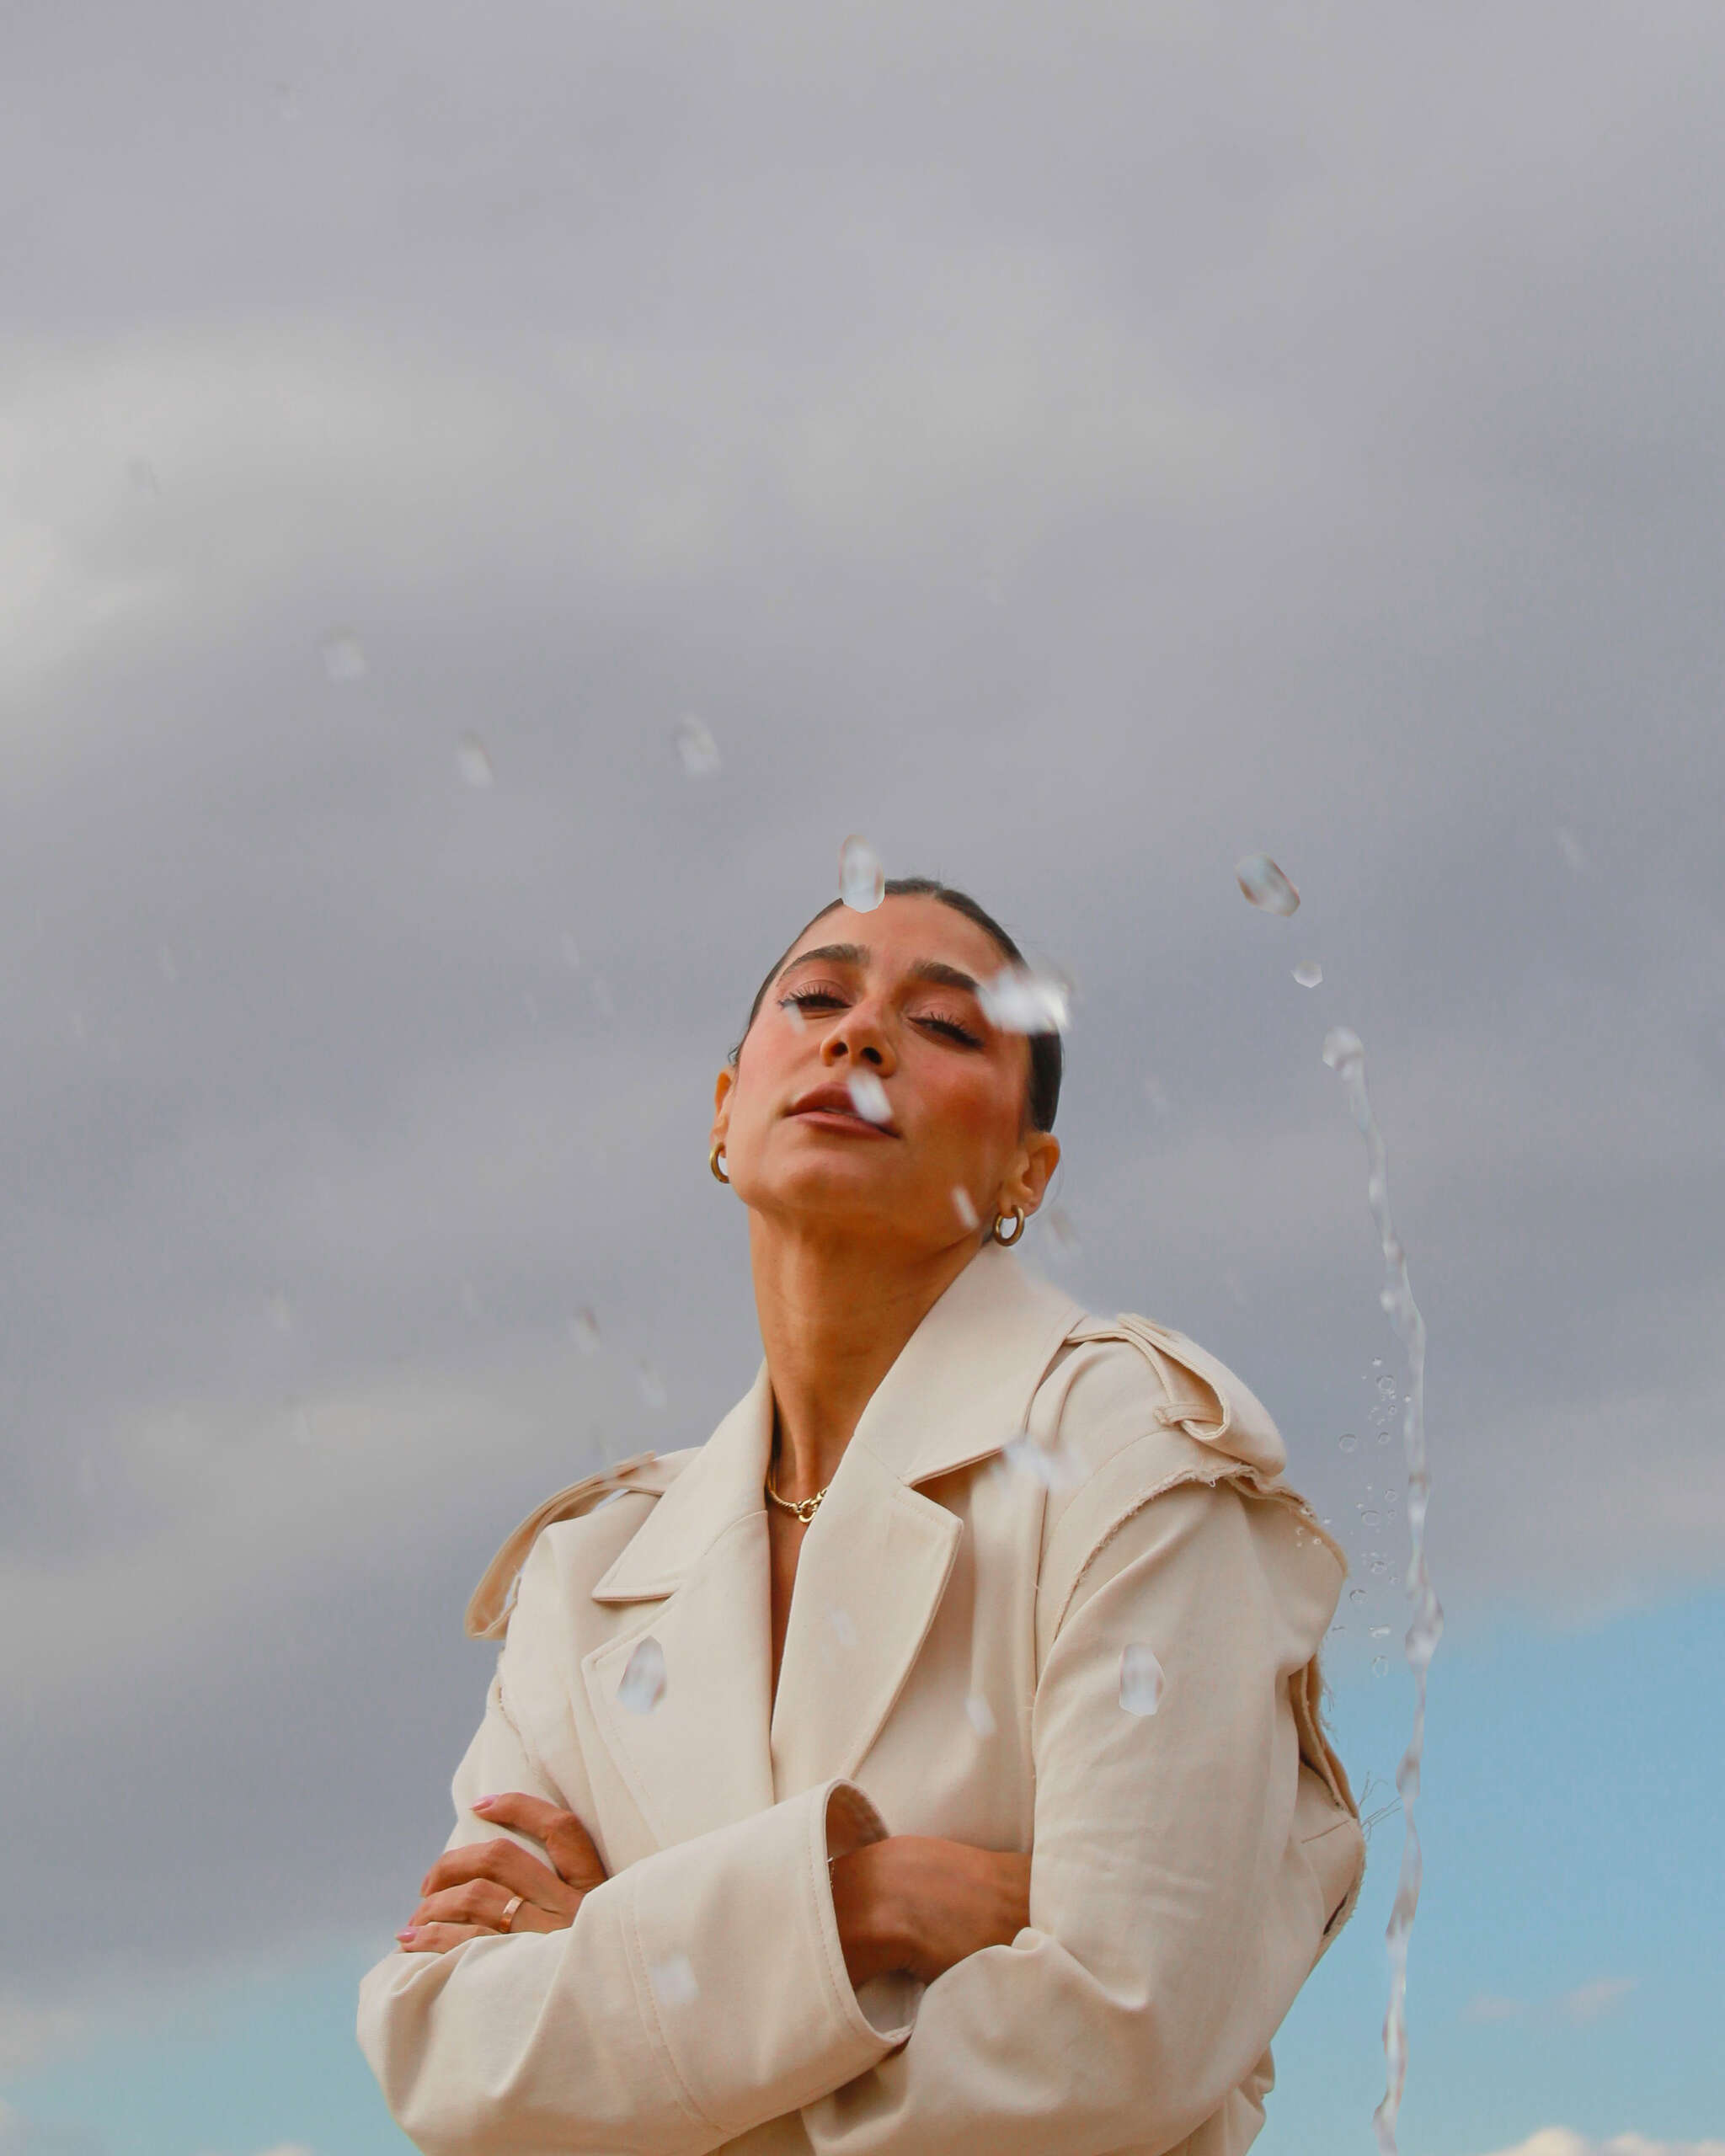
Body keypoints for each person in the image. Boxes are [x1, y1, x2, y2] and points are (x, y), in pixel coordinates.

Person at [357, 877, 1365, 2156]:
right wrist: (861, 1904)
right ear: (726, 1111)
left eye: (946, 1026)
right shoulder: (591, 1568)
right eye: (815, 999)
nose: (860, 1036)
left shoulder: (1129, 1451)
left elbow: (1125, 2035)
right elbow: (448, 2055)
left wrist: (635, 1998)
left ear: (1025, 1173)